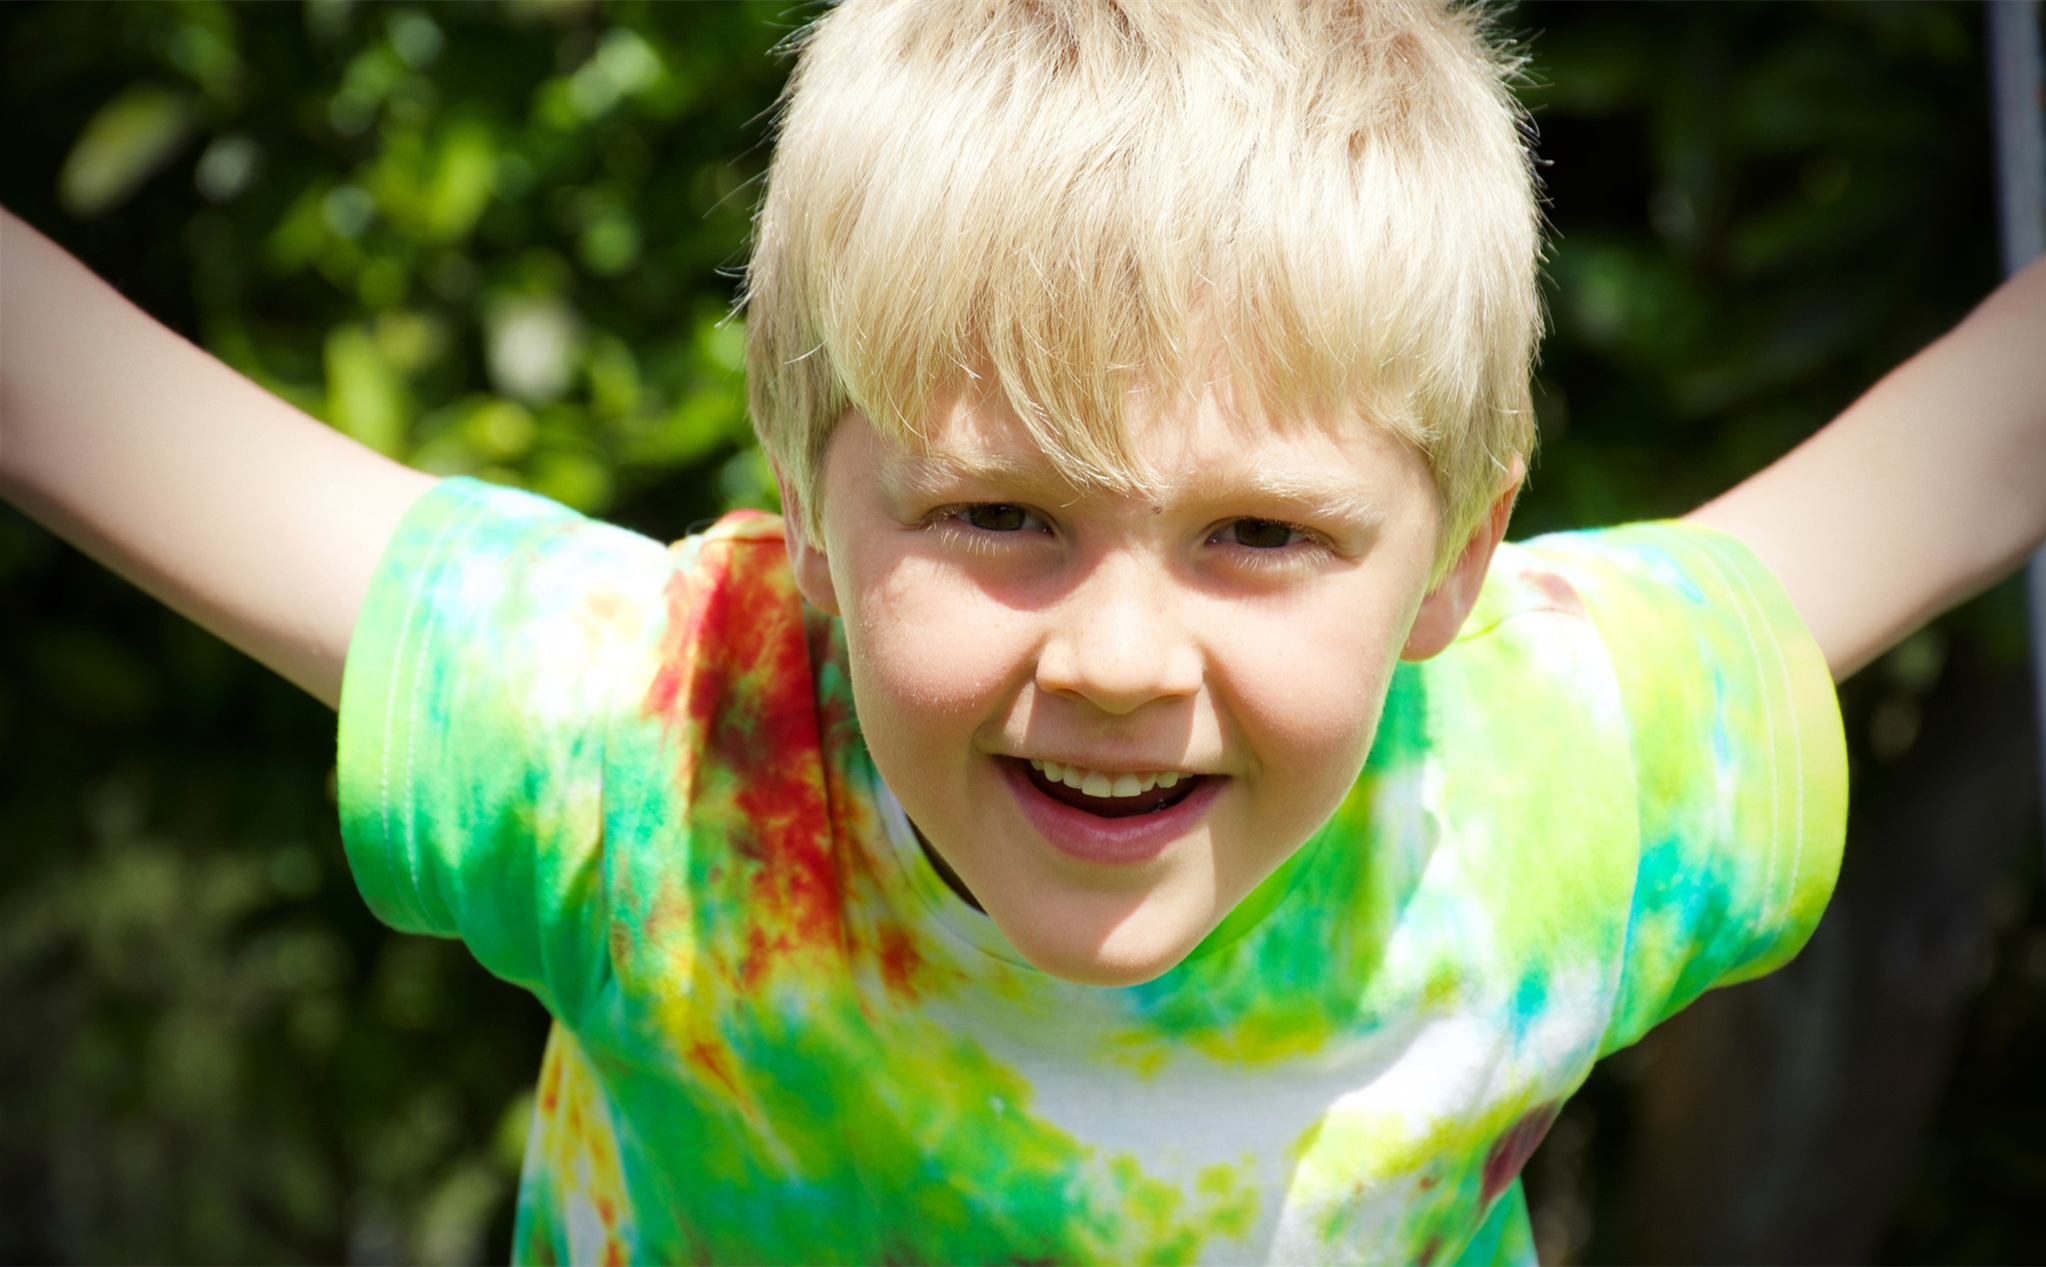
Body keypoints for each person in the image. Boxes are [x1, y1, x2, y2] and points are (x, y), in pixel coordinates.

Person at [3, 1, 2043, 1262]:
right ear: (806, 512)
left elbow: (1965, 453)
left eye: (1259, 534)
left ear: (1452, 568)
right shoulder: (663, 756)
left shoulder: (1555, 774)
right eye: (1000, 518)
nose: (1124, 661)